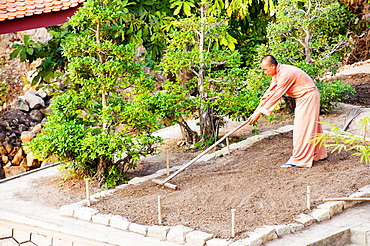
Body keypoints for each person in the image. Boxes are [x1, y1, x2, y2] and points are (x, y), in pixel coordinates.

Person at [248, 55, 327, 168]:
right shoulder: (278, 73)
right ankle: (319, 154)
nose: (264, 72)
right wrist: (257, 110)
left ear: (273, 66)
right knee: (311, 126)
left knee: (302, 128)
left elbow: (276, 94)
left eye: (265, 69)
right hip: (304, 98)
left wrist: (259, 113)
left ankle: (299, 160)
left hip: (308, 97)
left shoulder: (285, 74)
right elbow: (270, 92)